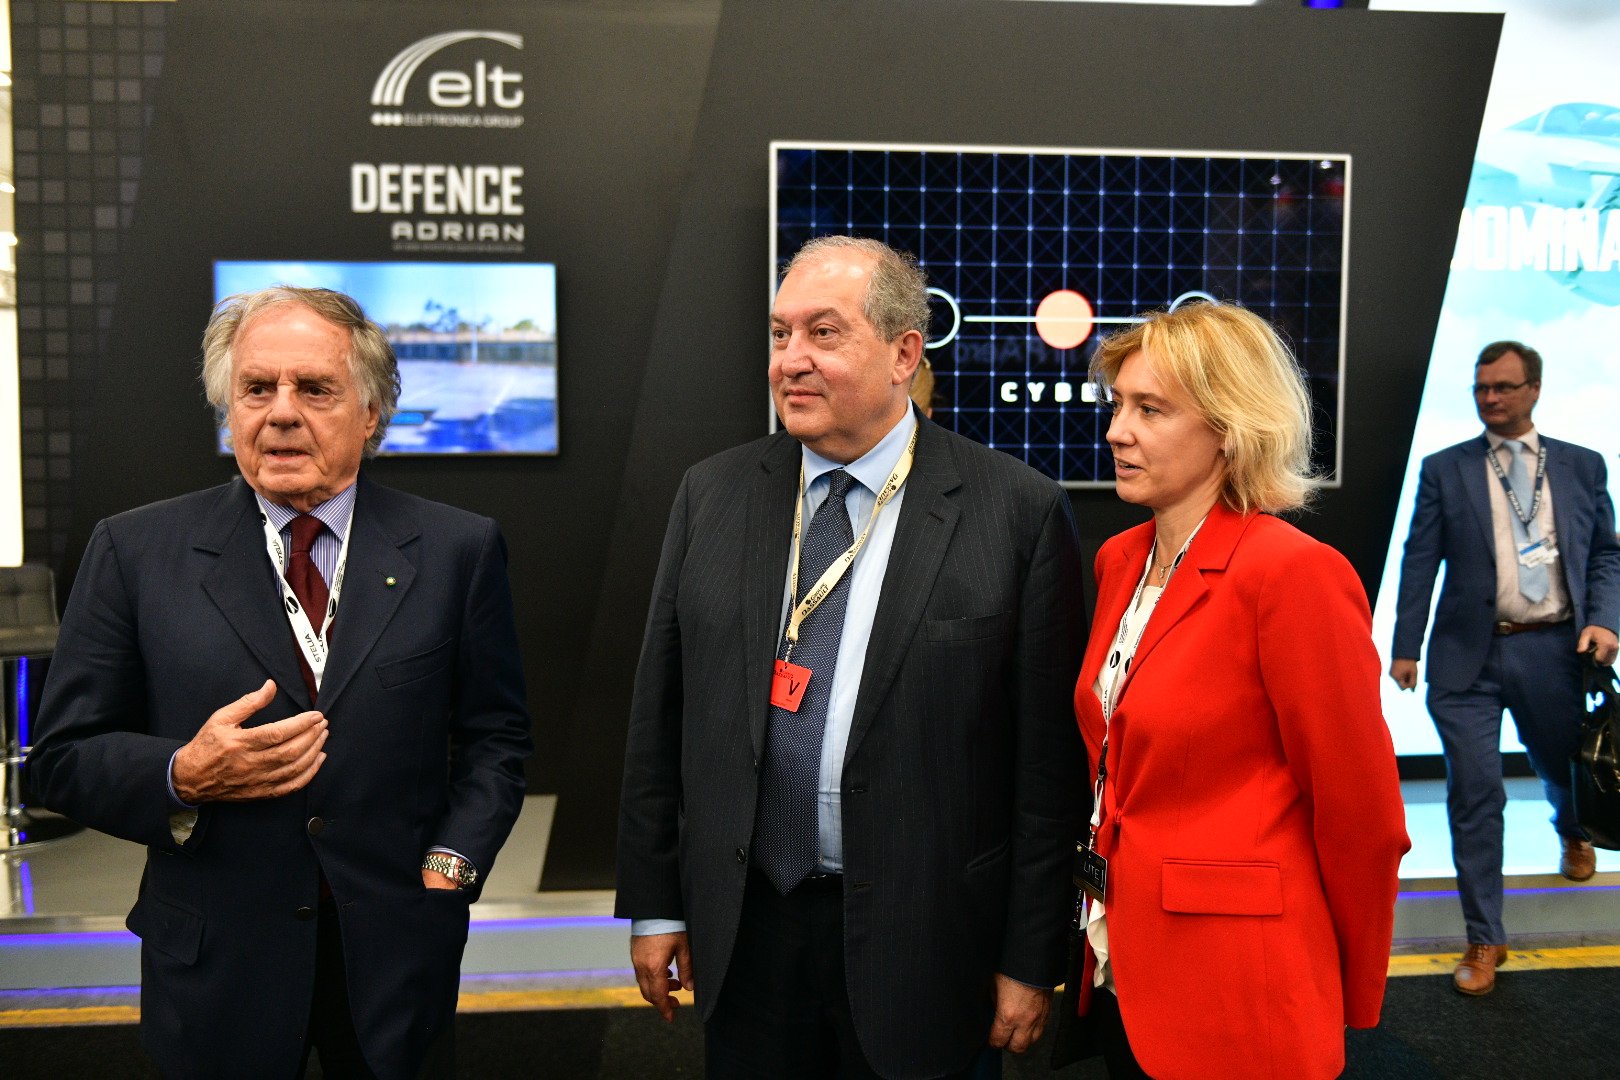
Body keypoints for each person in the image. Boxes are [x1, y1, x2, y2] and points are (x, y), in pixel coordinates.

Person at [27, 287, 532, 1080]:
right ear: (229, 410)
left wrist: (452, 864)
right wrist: (180, 774)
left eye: (315, 389)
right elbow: (62, 758)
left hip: (396, 955)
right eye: (257, 388)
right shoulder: (135, 551)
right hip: (216, 966)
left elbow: (495, 737)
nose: (282, 413)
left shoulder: (456, 550)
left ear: (371, 413)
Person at [615, 235, 1086, 1080]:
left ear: (905, 354)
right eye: (780, 334)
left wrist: (1029, 955)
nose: (790, 360)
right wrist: (655, 906)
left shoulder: (1015, 513)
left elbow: (1046, 771)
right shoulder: (712, 494)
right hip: (748, 929)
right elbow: (662, 714)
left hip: (930, 943)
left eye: (823, 333)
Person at [1066, 302, 1408, 1079]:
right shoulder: (1122, 561)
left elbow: (1362, 815)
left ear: (1229, 427)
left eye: (1150, 409)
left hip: (1239, 982)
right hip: (1124, 959)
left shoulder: (1291, 574)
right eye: (1118, 405)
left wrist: (1346, 984)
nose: (1117, 431)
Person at [1390, 340, 1620, 995]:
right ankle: (1484, 937)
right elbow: (1419, 559)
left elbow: (1605, 553)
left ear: (1534, 390)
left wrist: (1606, 621)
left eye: (1503, 387)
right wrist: (1406, 645)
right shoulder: (1445, 468)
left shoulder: (1581, 465)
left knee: (1561, 764)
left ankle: (1571, 827)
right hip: (1467, 656)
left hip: (1554, 650)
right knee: (1475, 792)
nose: (1490, 398)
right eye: (1481, 388)